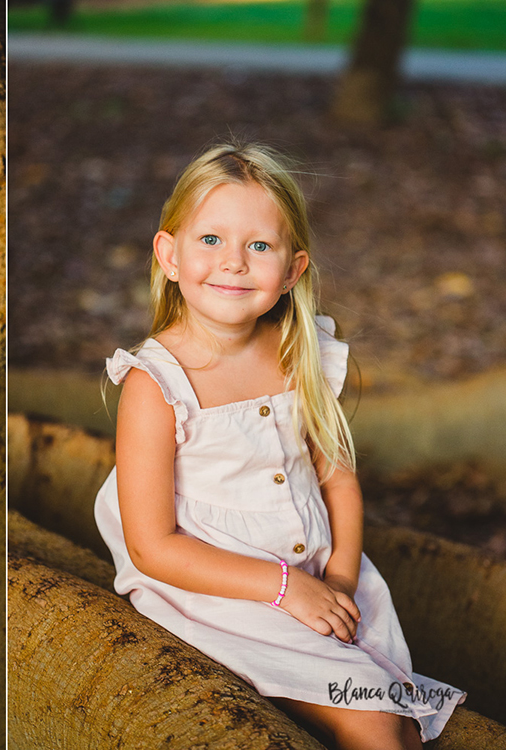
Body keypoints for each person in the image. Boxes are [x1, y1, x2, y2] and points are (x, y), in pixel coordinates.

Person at [94, 142, 464, 749]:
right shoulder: (155, 384)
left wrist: (340, 580)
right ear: (169, 255)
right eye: (210, 240)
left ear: (293, 271)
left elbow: (337, 478)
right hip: (218, 593)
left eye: (258, 246)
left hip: (322, 577)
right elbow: (153, 546)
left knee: (394, 717)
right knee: (373, 723)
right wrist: (287, 590)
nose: (234, 263)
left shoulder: (299, 353)